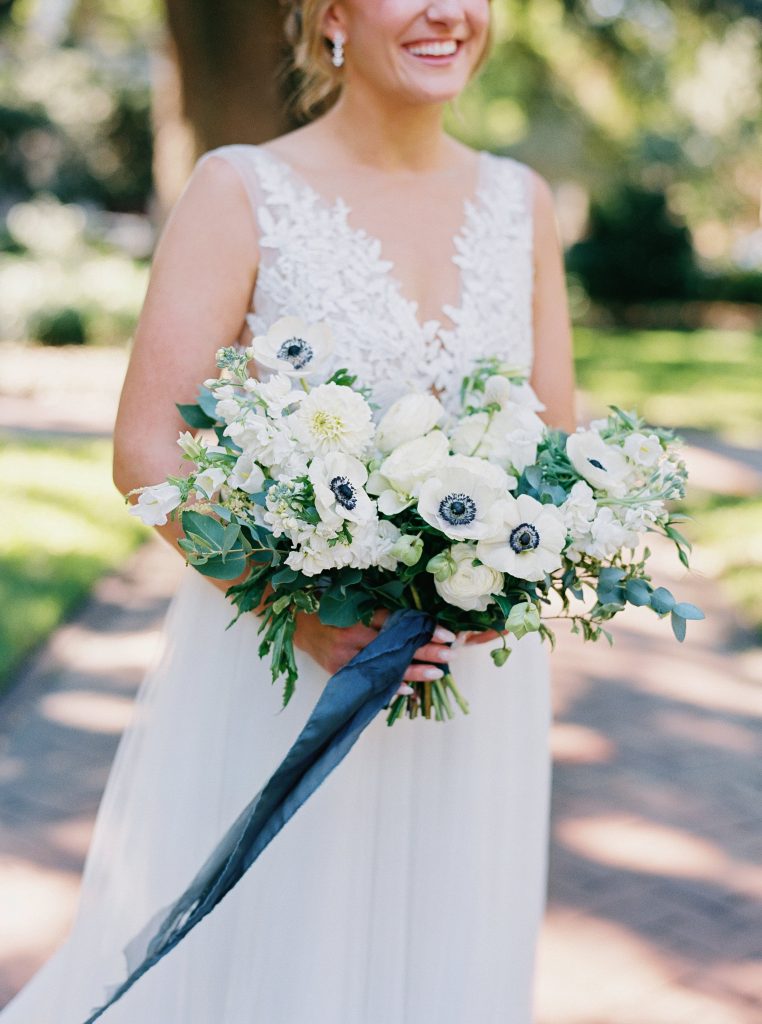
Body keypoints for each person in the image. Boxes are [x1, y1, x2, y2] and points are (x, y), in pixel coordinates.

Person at [0, 1, 576, 1021]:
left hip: (469, 689)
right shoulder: (242, 190)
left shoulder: (522, 201)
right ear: (333, 13)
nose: (450, 11)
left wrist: (512, 576)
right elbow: (147, 451)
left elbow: (553, 449)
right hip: (281, 671)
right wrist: (299, 612)